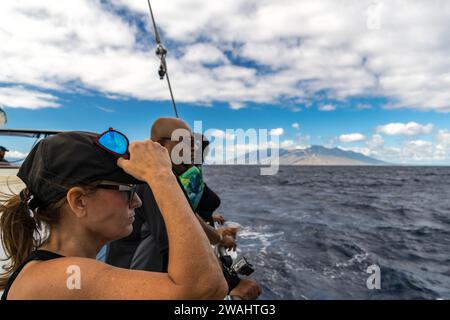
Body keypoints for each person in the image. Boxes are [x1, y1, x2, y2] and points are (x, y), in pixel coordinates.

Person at [0, 130, 227, 300]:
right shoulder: (68, 276)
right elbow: (205, 288)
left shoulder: (58, 270)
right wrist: (161, 175)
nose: (137, 201)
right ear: (79, 201)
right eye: (127, 190)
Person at [107, 118, 261, 299]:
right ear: (159, 145)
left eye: (193, 144)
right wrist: (232, 283)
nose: (193, 149)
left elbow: (189, 216)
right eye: (184, 142)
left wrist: (217, 237)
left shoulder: (171, 179)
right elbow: (178, 245)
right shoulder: (152, 183)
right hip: (135, 283)